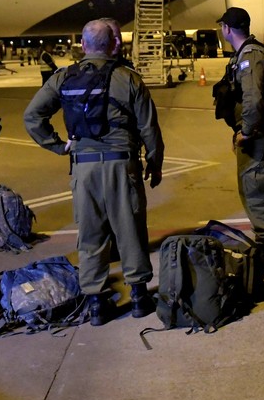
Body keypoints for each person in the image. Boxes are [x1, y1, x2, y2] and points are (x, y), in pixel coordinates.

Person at [23, 19, 165, 324]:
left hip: (83, 169)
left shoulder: (64, 77)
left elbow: (32, 116)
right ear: (113, 44)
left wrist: (57, 145)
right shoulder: (128, 78)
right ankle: (139, 297)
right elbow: (149, 128)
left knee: (90, 235)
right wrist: (155, 163)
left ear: (83, 45)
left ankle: (97, 303)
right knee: (130, 230)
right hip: (121, 165)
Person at [216, 7, 264, 271]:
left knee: (255, 187)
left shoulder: (250, 56)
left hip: (256, 136)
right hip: (254, 133)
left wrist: (245, 131)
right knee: (254, 186)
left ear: (227, 29)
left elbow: (253, 99)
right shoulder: (246, 53)